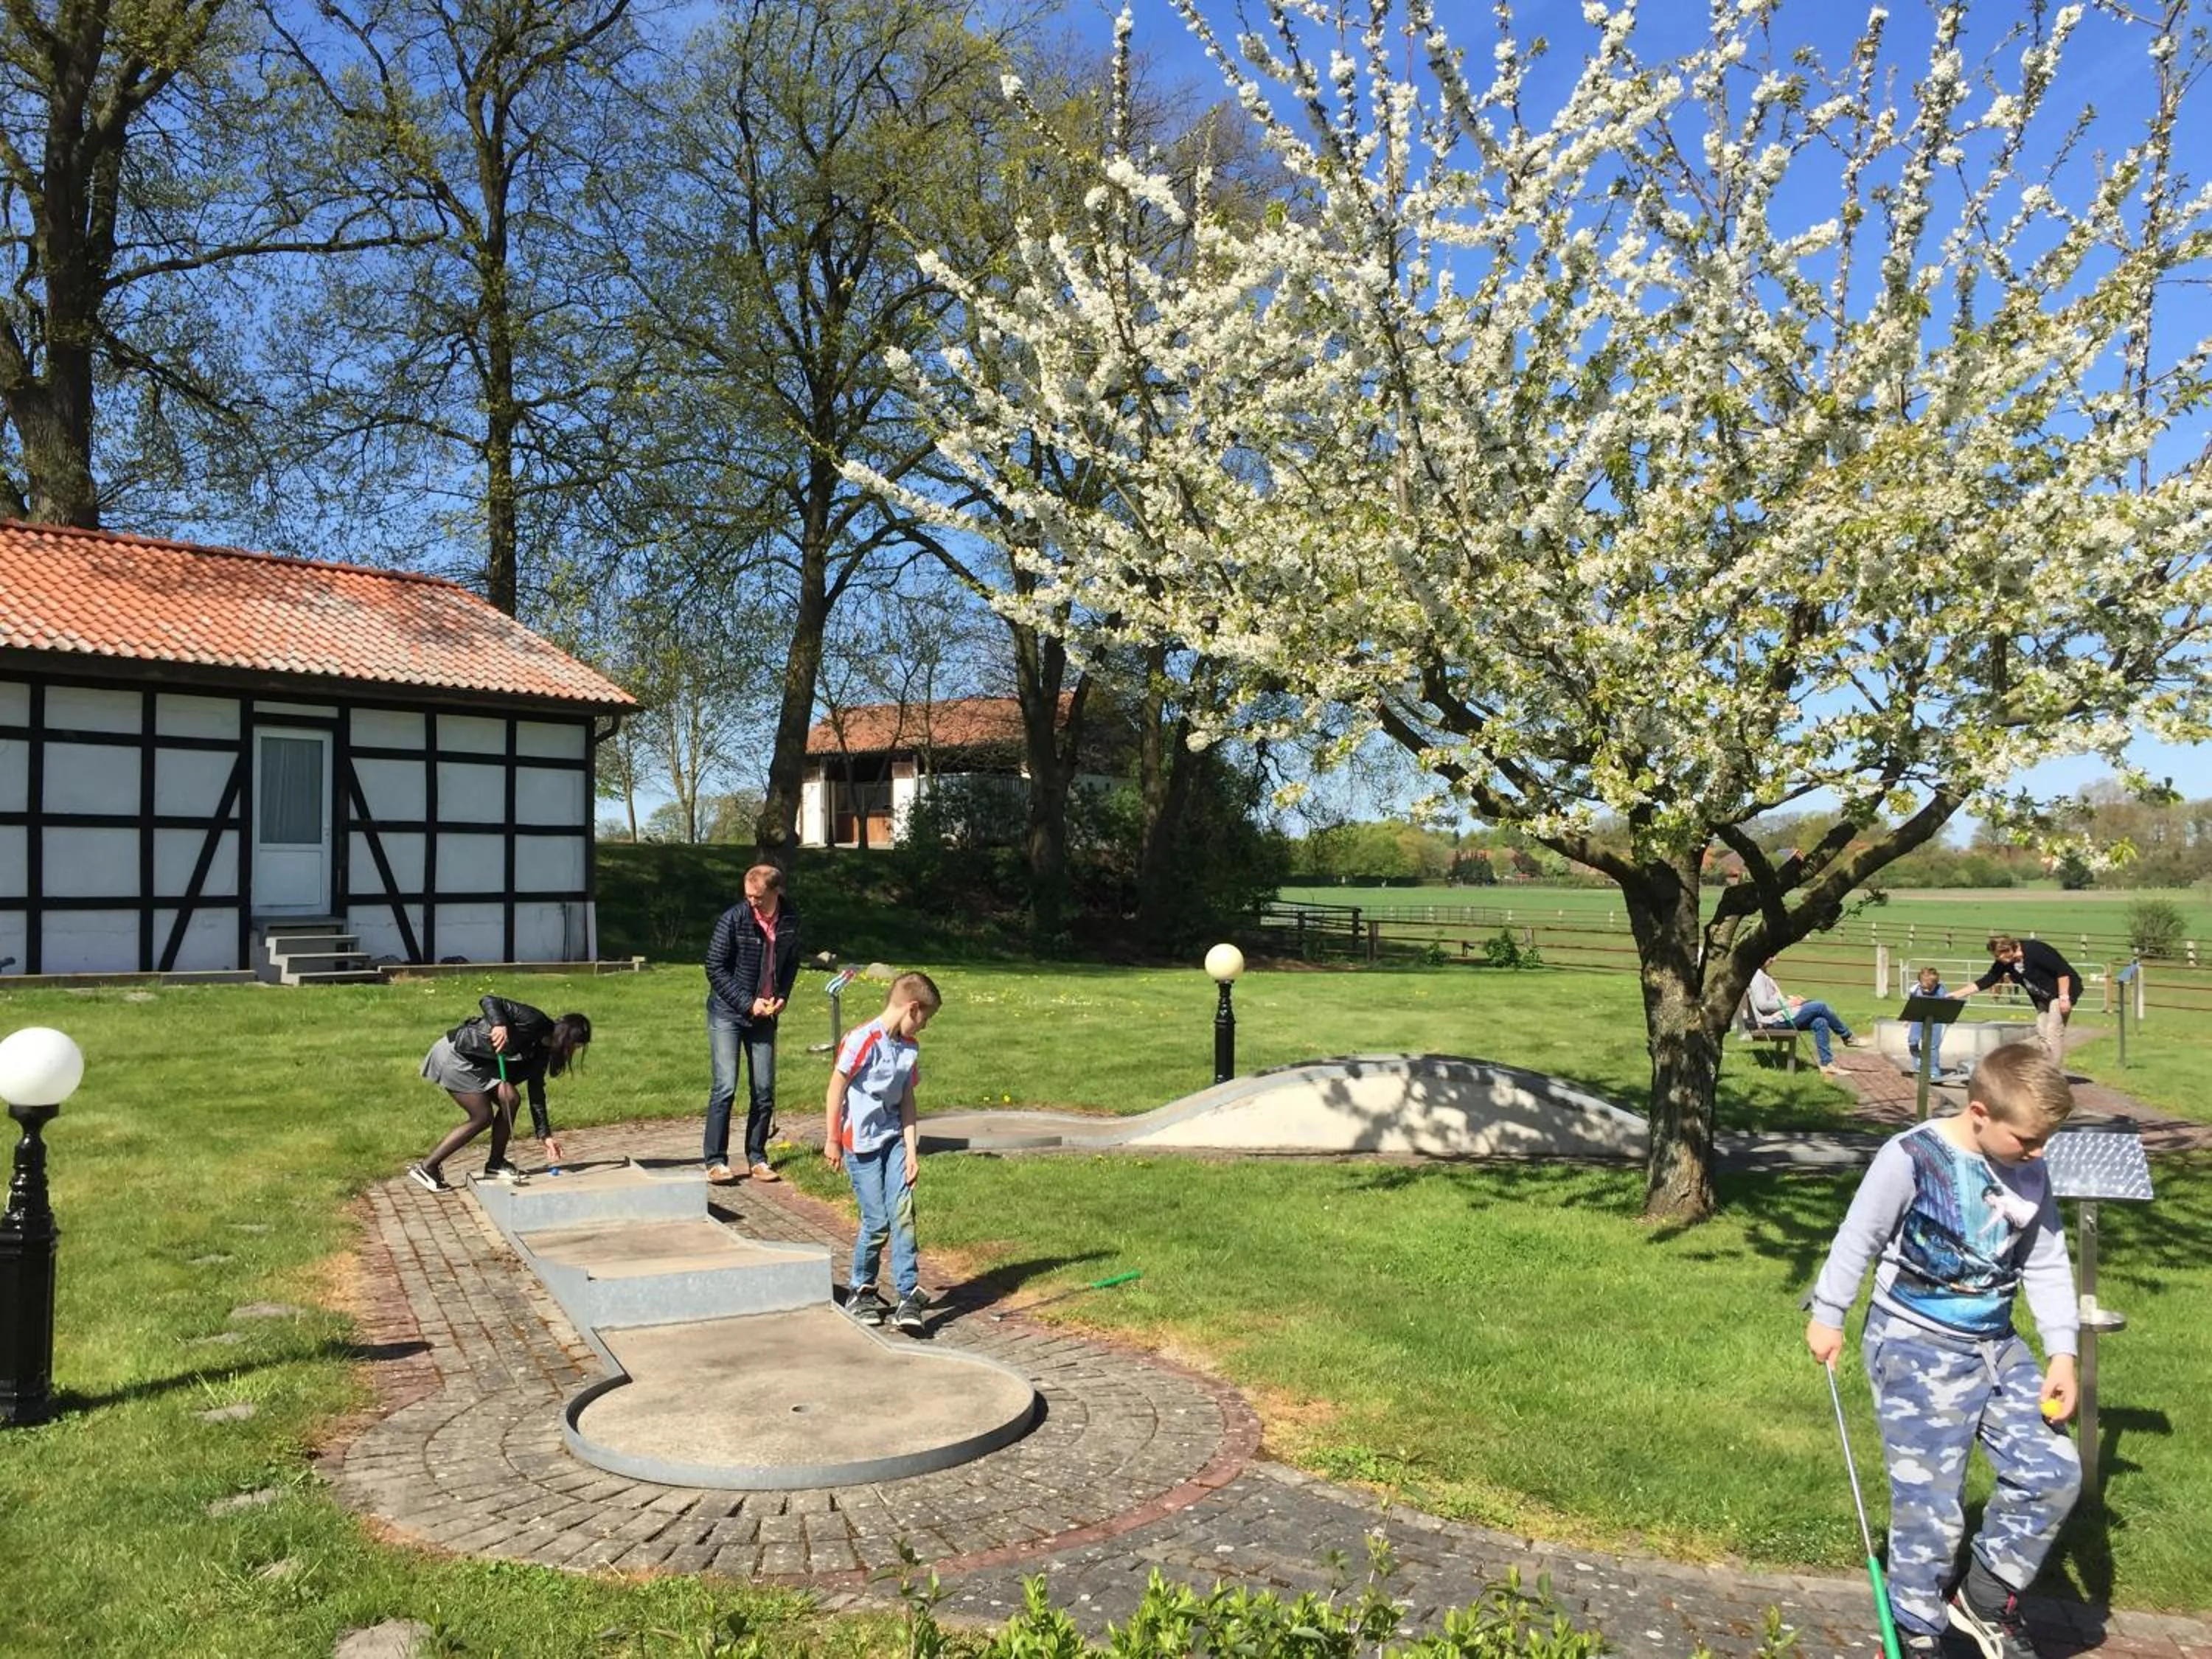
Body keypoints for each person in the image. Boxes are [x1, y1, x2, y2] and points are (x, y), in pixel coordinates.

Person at [1804, 1043, 2080, 1659]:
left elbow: (2046, 1260)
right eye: (2028, 1141)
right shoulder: (1912, 1157)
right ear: (1980, 1112)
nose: (2038, 1155)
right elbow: (1860, 1235)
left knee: (2054, 1474)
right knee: (1931, 1504)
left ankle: (1984, 1600)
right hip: (1913, 1345)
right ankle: (1916, 1629)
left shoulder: (2031, 1168)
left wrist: (2061, 1353)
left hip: (1997, 1347)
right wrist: (1829, 1314)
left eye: (2044, 1144)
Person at [824, 971, 941, 1335]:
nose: (924, 1027)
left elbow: (907, 1099)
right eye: (925, 1019)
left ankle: (908, 1294)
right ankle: (862, 1289)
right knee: (876, 1222)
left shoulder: (909, 1049)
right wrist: (832, 1139)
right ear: (912, 1008)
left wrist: (911, 1150)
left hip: (893, 1142)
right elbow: (836, 1088)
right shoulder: (862, 1040)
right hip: (860, 1144)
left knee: (903, 1214)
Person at [410, 995, 591, 1192]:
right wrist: (499, 1024)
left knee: (511, 1099)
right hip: (458, 1054)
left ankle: (495, 1164)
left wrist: (545, 1136)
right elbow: (489, 1000)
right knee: (482, 1116)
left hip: (480, 1064)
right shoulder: (534, 1020)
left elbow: (537, 1094)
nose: (573, 1051)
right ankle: (428, 1167)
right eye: (576, 1045)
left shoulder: (542, 1053)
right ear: (567, 1038)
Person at [703, 863, 802, 1183]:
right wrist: (748, 1003)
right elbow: (714, 967)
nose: (752, 902)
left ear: (776, 892)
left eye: (758, 897)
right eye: (747, 896)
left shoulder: (790, 920)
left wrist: (783, 994)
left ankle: (757, 1157)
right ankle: (716, 1161)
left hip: (766, 1016)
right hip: (728, 1014)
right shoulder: (733, 919)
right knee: (725, 1086)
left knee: (763, 1090)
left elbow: (791, 962)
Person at [1955, 935, 2081, 1065]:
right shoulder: (2006, 962)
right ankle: (2046, 1066)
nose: (1998, 959)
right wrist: (1956, 995)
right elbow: (1987, 980)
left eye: (1999, 955)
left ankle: (2053, 1072)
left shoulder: (2036, 950)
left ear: (2008, 949)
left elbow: (2062, 971)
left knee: (2053, 1031)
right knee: (2042, 1029)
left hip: (2063, 990)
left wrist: (2064, 998)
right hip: (2043, 996)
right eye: (1996, 957)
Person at [1747, 958, 1863, 1074]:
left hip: (1779, 1017)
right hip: (1771, 1022)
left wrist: (1791, 1000)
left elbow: (1773, 1000)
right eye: (1771, 956)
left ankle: (1826, 1064)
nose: (1774, 959)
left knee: (1820, 1021)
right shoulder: (1757, 976)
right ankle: (1847, 1036)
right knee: (1820, 1006)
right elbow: (1762, 1005)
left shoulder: (1763, 974)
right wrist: (1789, 1004)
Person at [1903, 964, 1958, 1080]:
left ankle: (1933, 1069)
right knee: (1913, 1040)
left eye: (1930, 988)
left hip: (1936, 1019)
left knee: (1933, 1045)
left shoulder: (1941, 989)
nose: (1927, 990)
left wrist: (1948, 1017)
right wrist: (1908, 1019)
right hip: (1918, 1018)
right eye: (1925, 987)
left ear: (1935, 983)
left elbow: (1946, 1004)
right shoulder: (1915, 990)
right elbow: (1911, 1006)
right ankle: (1918, 1061)